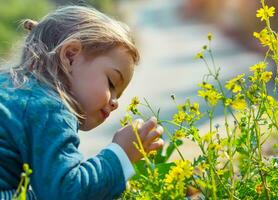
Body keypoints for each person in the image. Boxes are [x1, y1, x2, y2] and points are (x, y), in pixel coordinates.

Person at [0, 5, 164, 200]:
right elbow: (66, 192)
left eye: (118, 95)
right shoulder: (49, 106)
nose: (115, 102)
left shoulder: (12, 88)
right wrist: (120, 156)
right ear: (70, 56)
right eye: (111, 83)